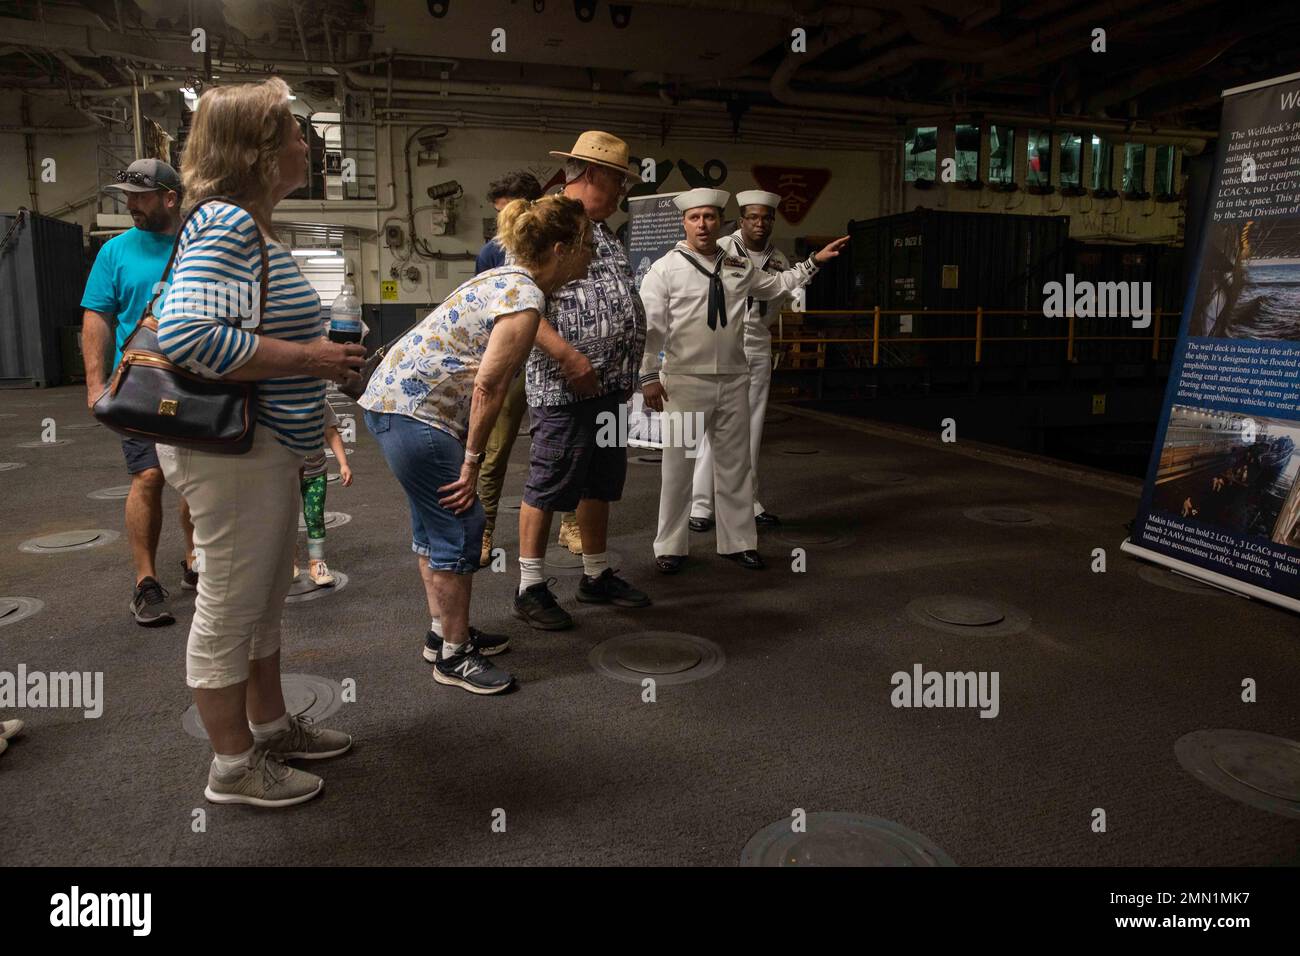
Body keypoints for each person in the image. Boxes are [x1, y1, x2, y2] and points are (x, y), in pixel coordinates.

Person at [155, 77, 367, 808]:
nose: (307, 144)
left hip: (262, 447)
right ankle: (232, 768)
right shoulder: (229, 225)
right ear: (257, 150)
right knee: (229, 606)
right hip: (233, 455)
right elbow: (187, 335)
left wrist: (311, 361)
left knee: (262, 601)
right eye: (294, 133)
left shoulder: (247, 224)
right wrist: (312, 359)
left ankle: (269, 727)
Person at [361, 194, 594, 692]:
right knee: (462, 523)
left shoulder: (504, 280)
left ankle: (443, 632)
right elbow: (489, 385)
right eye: (586, 245)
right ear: (560, 249)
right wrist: (472, 462)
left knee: (434, 525)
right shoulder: (525, 297)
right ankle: (455, 656)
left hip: (392, 404)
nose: (592, 254)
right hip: (415, 414)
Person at [639, 188, 848, 573]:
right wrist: (649, 375)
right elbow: (650, 328)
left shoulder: (736, 265)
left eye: (710, 217)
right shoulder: (665, 269)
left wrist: (813, 262)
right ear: (684, 223)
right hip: (684, 380)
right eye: (695, 218)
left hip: (734, 379)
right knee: (677, 469)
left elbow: (775, 286)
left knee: (735, 465)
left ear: (721, 222)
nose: (702, 224)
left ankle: (737, 542)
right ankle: (670, 546)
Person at [513, 131, 652, 631]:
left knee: (600, 483)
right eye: (618, 181)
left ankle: (594, 576)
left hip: (611, 386)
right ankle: (529, 586)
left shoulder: (605, 231)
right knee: (549, 483)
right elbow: (519, 299)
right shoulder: (544, 223)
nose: (621, 192)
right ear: (592, 175)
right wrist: (568, 356)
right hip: (564, 387)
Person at [81, 158, 197, 627]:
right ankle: (145, 583)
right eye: (126, 196)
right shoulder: (114, 252)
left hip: (195, 385)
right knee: (148, 477)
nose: (130, 205)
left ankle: (194, 558)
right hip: (138, 385)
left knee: (196, 478)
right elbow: (97, 316)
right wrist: (95, 384)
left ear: (170, 198)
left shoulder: (198, 246)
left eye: (140, 196)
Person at [473, 171, 578, 564]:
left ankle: (570, 524)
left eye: (510, 211)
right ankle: (482, 530)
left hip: (554, 359)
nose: (505, 222)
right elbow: (490, 313)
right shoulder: (491, 253)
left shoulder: (559, 244)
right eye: (500, 213)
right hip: (516, 363)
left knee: (561, 443)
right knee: (495, 449)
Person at [690, 189, 788, 532]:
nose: (759, 224)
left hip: (757, 346)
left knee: (752, 428)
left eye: (766, 218)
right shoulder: (722, 248)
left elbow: (776, 304)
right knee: (712, 427)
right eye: (753, 217)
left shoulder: (780, 261)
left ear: (773, 221)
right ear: (741, 219)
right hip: (720, 345)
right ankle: (701, 505)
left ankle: (748, 499)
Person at [295, 404, 352, 586]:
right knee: (284, 519)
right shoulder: (276, 396)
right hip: (284, 473)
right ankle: (288, 560)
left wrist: (343, 464)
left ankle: (317, 563)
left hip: (315, 471)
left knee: (315, 516)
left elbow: (331, 432)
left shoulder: (319, 400)